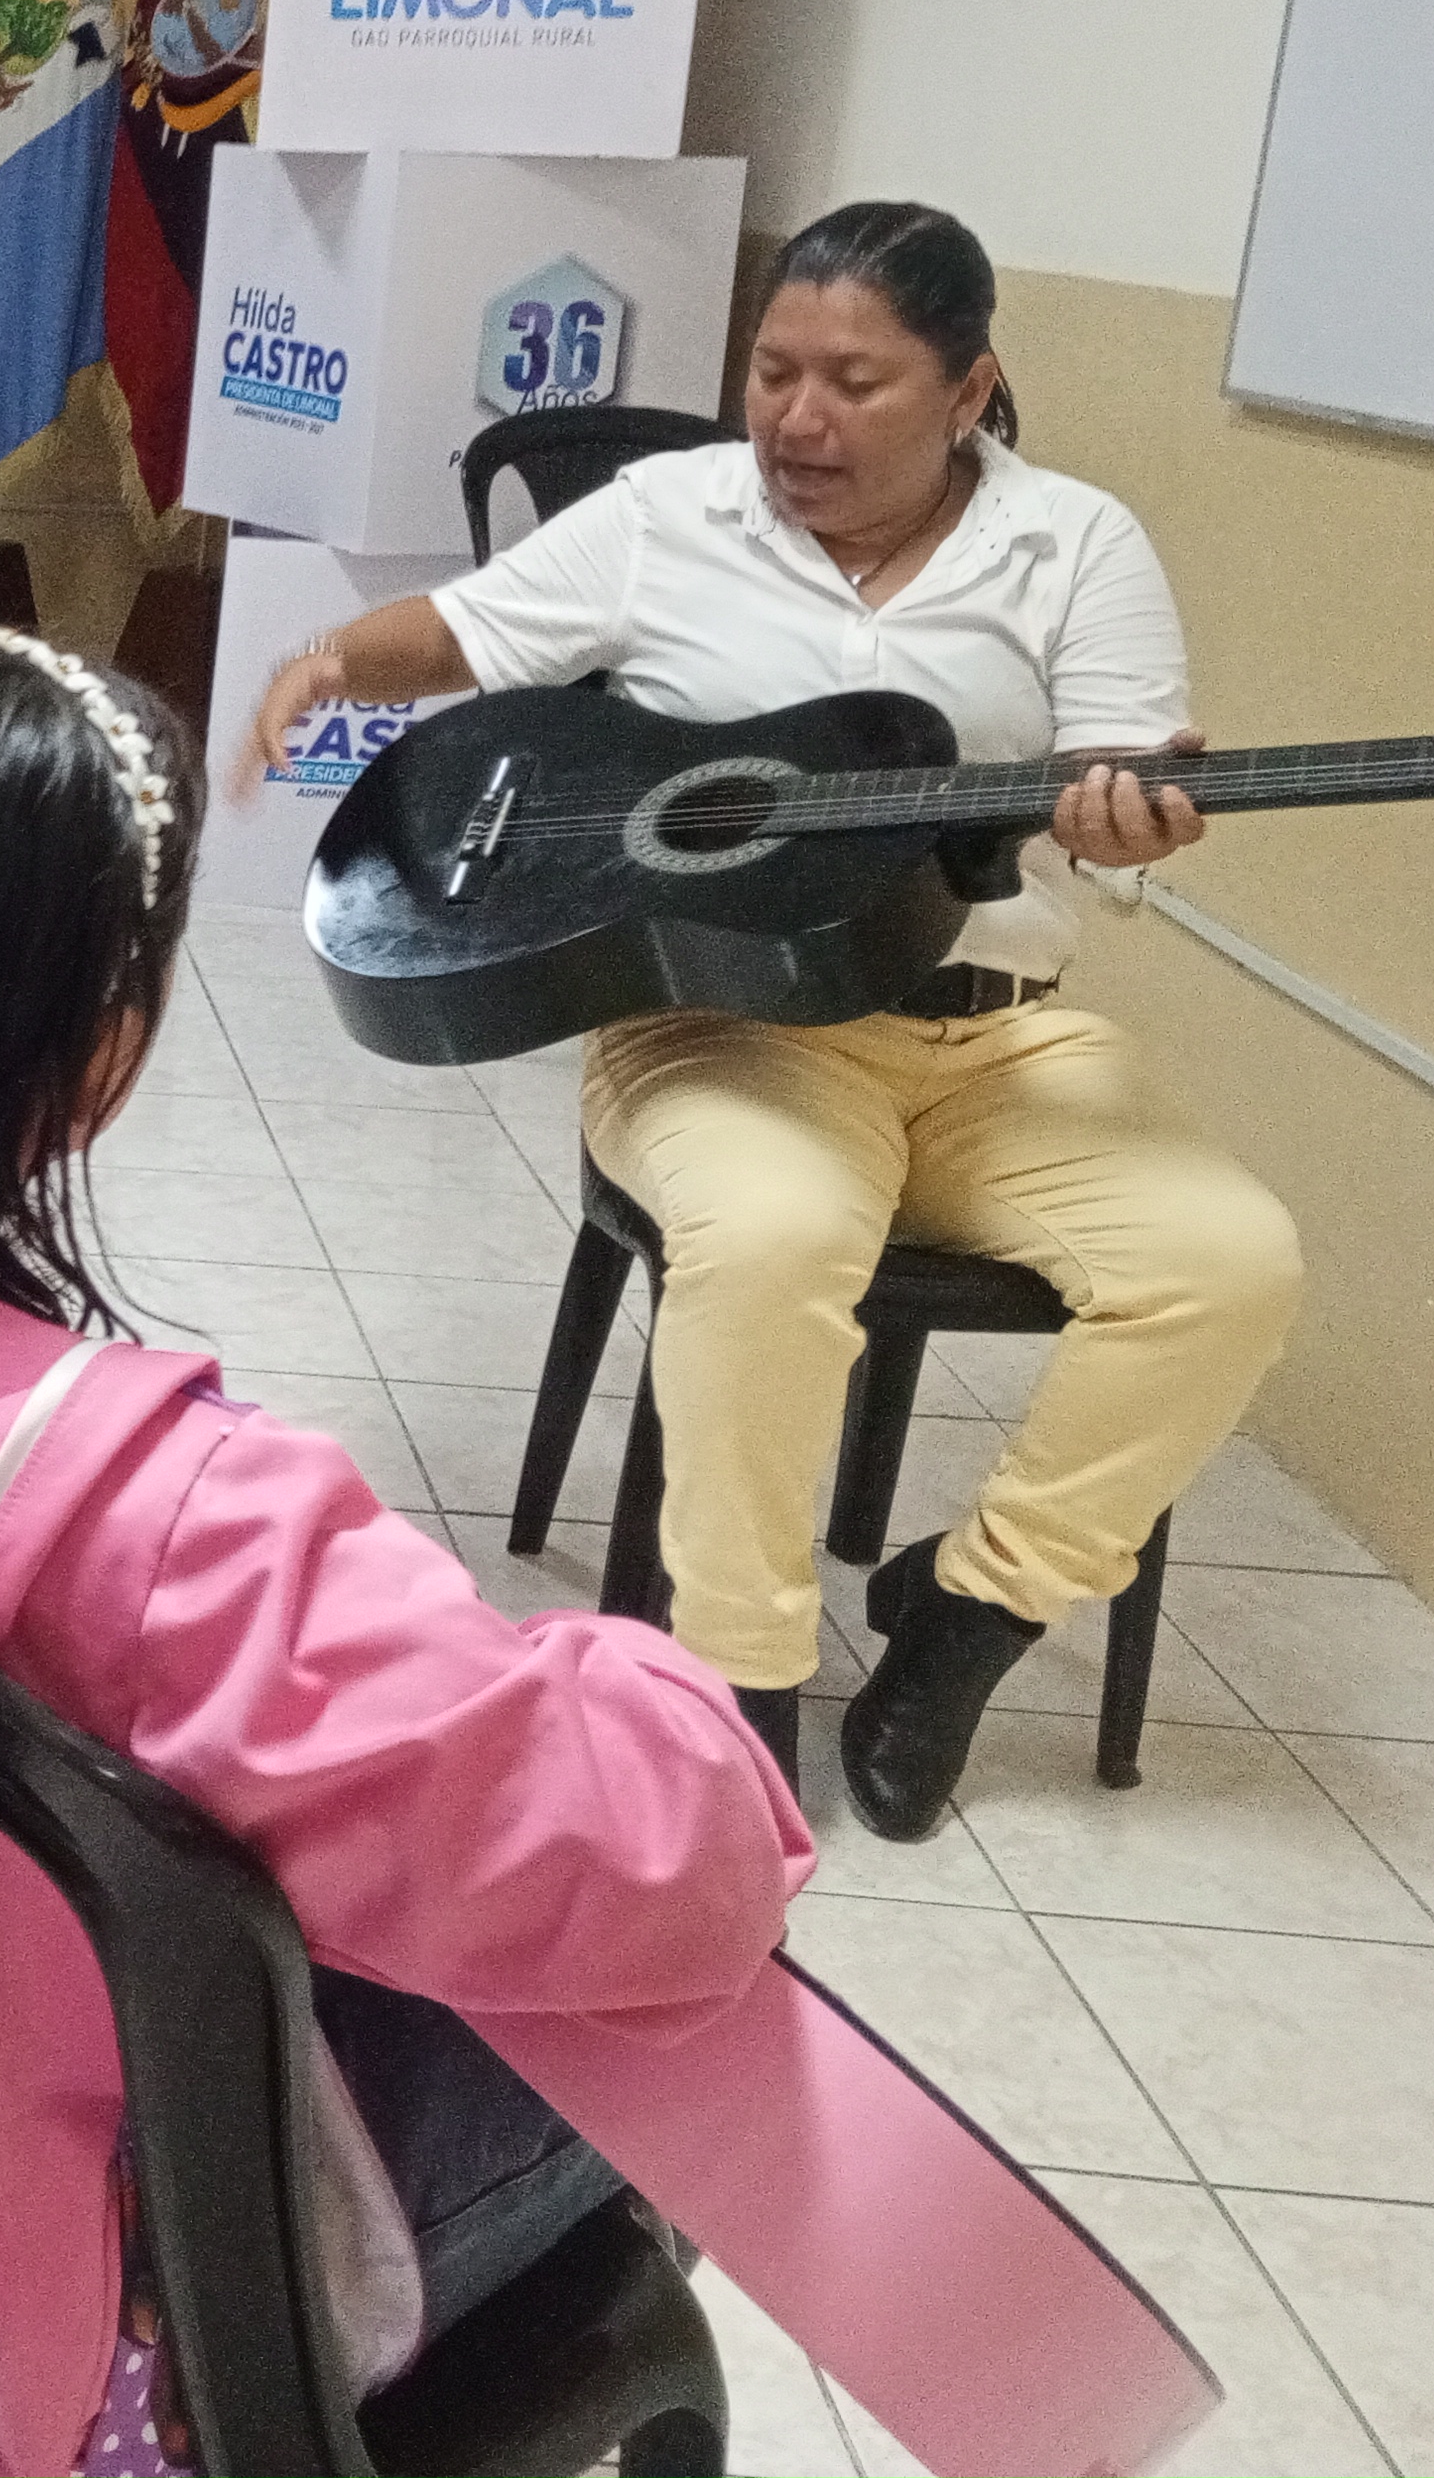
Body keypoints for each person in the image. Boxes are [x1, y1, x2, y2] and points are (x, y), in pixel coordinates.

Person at [0, 628, 807, 2478]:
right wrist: (637, 1671)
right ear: (100, 1055)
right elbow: (673, 1866)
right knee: (697, 2032)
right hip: (64, 2309)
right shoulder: (173, 1522)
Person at [238, 200, 1298, 1841]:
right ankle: (733, 1673)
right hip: (719, 1032)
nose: (797, 418)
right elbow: (466, 634)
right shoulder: (671, 512)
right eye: (771, 371)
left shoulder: (1074, 542)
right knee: (777, 1234)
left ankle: (968, 1614)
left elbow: (1116, 786)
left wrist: (1122, 820)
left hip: (999, 1036)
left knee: (1229, 1261)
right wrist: (323, 661)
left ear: (968, 390)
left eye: (853, 382)